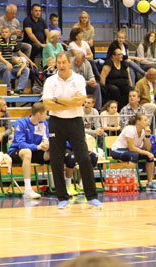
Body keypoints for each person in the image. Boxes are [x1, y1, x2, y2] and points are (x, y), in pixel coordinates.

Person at [43, 52, 101, 209]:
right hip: (56, 122)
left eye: (64, 62)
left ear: (69, 63)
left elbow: (80, 101)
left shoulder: (78, 79)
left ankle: (92, 196)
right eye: (59, 63)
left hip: (75, 121)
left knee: (84, 158)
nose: (61, 65)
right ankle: (62, 198)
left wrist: (57, 100)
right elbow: (47, 104)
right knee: (56, 160)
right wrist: (70, 101)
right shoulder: (50, 81)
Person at [8, 102, 50, 199]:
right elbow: (21, 144)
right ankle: (27, 189)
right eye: (45, 113)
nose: (46, 115)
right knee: (27, 151)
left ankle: (61, 185)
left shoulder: (44, 123)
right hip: (18, 152)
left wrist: (47, 145)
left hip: (34, 151)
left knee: (54, 152)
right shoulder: (21, 122)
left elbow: (46, 139)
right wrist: (38, 147)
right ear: (39, 114)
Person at [110, 113, 156, 191]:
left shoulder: (143, 131)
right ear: (138, 121)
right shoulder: (129, 129)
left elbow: (148, 148)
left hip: (130, 151)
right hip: (117, 150)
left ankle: (150, 183)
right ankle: (129, 182)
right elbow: (132, 147)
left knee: (149, 157)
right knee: (134, 155)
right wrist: (147, 153)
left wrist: (147, 136)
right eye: (145, 120)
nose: (147, 122)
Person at [0, 26, 32, 95]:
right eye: (3, 32)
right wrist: (7, 63)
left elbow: (20, 53)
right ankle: (7, 90)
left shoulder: (13, 42)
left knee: (26, 70)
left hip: (10, 63)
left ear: (10, 33)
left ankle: (19, 89)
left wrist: (31, 62)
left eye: (6, 32)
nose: (4, 34)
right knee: (6, 67)